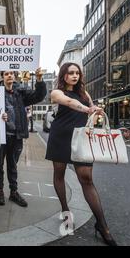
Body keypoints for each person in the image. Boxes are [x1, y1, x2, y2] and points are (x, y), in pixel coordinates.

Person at [46, 63, 117, 246]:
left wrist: (96, 112)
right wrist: (87, 109)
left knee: (86, 179)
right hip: (61, 137)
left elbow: (92, 113)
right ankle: (65, 212)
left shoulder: (85, 94)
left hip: (81, 139)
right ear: (64, 76)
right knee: (59, 173)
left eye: (77, 73)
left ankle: (102, 225)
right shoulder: (56, 93)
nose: (75, 76)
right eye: (71, 73)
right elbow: (69, 103)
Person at [0, 68, 46, 208]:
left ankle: (13, 192)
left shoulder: (21, 92)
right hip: (0, 135)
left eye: (12, 73)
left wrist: (40, 80)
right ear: (2, 76)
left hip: (16, 135)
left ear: (15, 76)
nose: (9, 75)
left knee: (13, 165)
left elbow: (38, 96)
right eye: (6, 74)